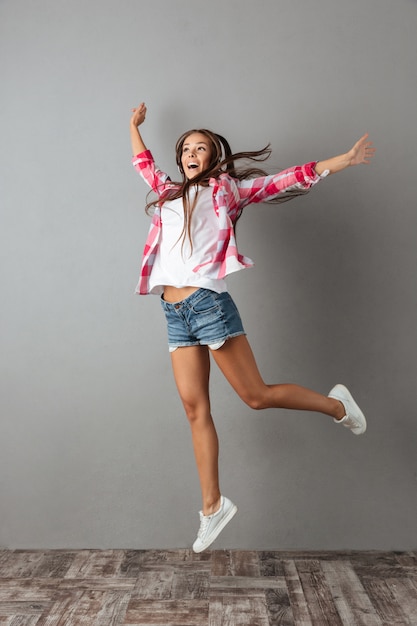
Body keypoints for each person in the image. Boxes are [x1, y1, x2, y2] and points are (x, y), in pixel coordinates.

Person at [130, 102, 376, 553]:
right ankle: (212, 507)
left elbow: (286, 179)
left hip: (208, 303)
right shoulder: (166, 193)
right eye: (185, 147)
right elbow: (144, 164)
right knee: (193, 409)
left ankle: (337, 406)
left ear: (213, 157)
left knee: (255, 396)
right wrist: (133, 127)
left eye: (200, 148)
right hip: (173, 310)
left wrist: (342, 160)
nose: (191, 153)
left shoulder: (228, 191)